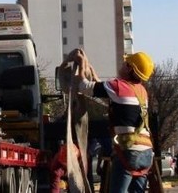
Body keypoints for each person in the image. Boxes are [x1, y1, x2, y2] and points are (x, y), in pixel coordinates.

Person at [66, 49, 155, 193]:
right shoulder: (141, 92)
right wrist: (92, 71)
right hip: (146, 153)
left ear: (129, 68)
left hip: (129, 152)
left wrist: (81, 63)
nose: (122, 64)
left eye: (125, 63)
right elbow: (107, 93)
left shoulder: (118, 86)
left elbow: (83, 86)